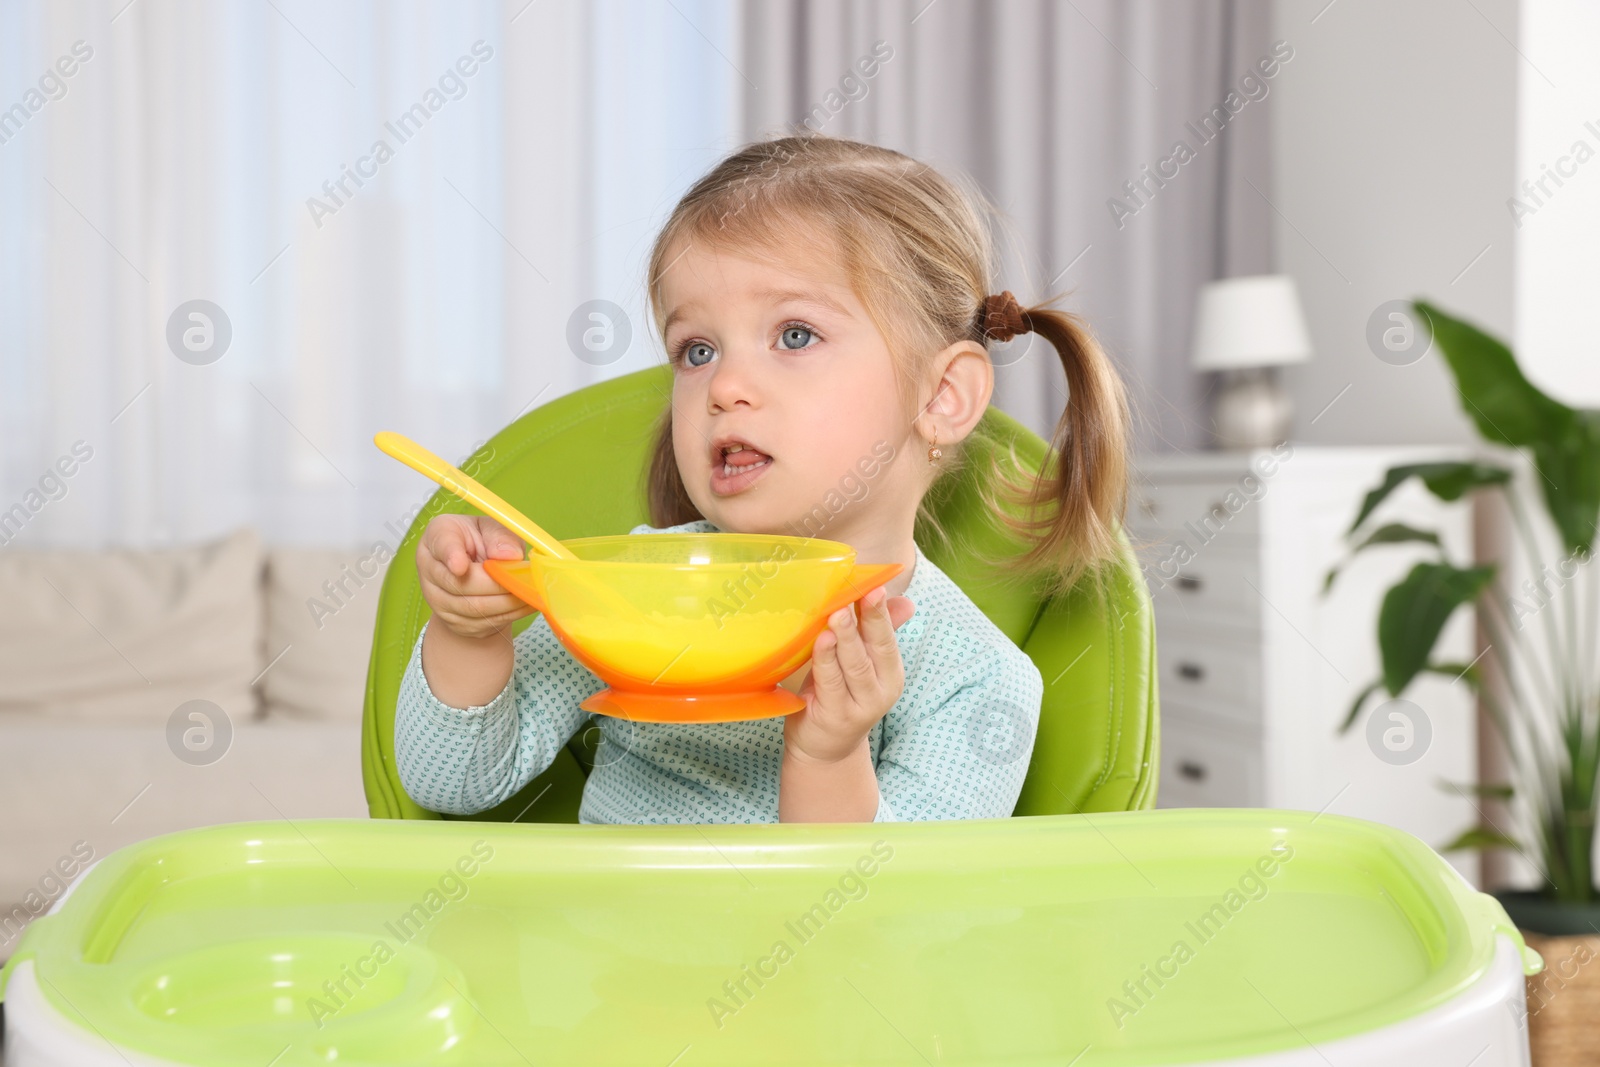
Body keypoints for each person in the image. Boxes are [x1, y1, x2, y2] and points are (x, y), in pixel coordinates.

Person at [394, 132, 1130, 824]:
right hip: (603, 959)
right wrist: (469, 636)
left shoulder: (976, 681)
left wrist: (828, 753)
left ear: (941, 398)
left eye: (795, 335)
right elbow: (452, 784)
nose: (725, 387)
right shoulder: (638, 589)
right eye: (697, 350)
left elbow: (886, 918)